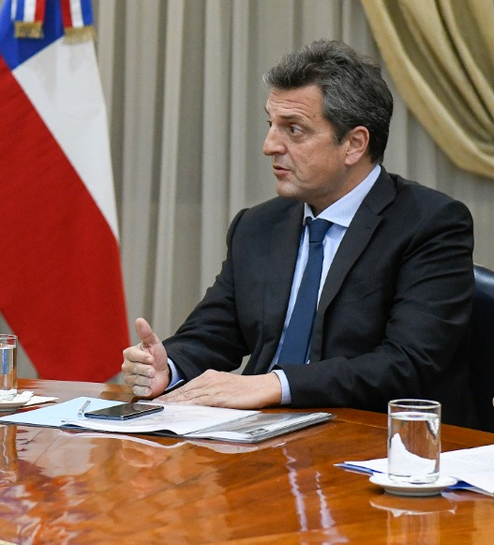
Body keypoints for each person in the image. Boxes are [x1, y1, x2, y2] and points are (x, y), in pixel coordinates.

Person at [122, 40, 475, 425]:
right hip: (254, 439)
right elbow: (213, 333)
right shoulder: (257, 226)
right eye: (271, 125)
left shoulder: (430, 224)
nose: (269, 145)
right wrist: (167, 366)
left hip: (367, 439)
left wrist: (277, 384)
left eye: (294, 129)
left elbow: (407, 362)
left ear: (354, 144)